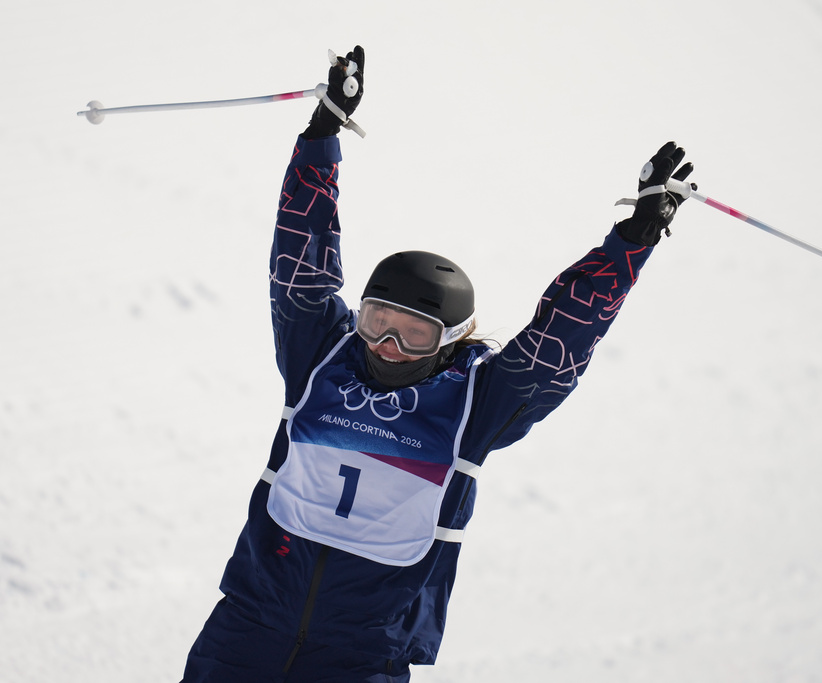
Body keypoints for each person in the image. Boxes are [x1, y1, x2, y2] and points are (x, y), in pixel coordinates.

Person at [180, 45, 696, 683]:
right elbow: (300, 264)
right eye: (377, 322)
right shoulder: (322, 355)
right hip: (249, 625)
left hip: (365, 651)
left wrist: (632, 242)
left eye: (413, 335)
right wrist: (321, 141)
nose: (386, 346)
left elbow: (561, 335)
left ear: (451, 339)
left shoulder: (475, 402)